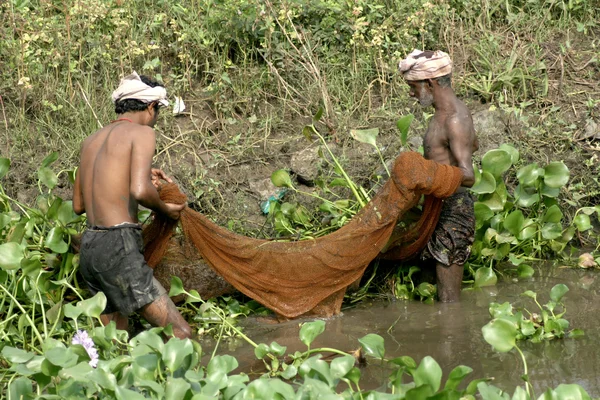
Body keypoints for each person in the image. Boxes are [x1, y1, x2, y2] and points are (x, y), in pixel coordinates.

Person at [72, 72, 192, 339]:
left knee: (115, 342)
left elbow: (78, 205)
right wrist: (165, 208)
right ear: (151, 107)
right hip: (119, 245)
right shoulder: (142, 134)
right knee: (181, 334)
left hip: (91, 247)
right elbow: (140, 190)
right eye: (158, 113)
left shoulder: (90, 141)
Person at [399, 50, 479, 302]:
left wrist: (426, 174)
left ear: (431, 83)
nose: (411, 93)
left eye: (413, 86)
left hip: (454, 210)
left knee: (448, 299)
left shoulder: (455, 120)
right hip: (436, 205)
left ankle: (451, 335)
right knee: (435, 289)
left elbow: (468, 176)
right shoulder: (440, 115)